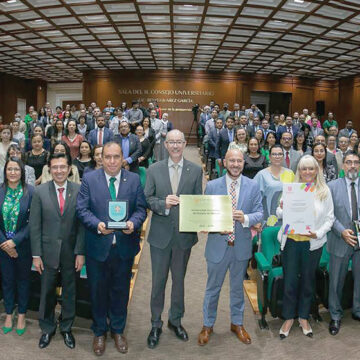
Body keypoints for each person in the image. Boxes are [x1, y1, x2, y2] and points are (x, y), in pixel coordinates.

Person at [76, 142, 147, 355]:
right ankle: (99, 332)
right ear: (101, 158)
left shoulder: (133, 179)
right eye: (108, 157)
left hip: (124, 248)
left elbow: (141, 208)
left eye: (116, 156)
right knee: (97, 291)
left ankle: (117, 330)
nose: (112, 161)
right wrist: (97, 225)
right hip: (98, 247)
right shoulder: (89, 179)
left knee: (120, 291)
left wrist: (133, 223)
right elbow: (82, 209)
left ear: (122, 157)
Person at [198, 149, 263, 346]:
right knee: (212, 288)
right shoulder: (212, 186)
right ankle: (207, 325)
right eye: (231, 161)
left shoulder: (253, 186)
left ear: (243, 163)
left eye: (239, 161)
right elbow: (204, 214)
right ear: (224, 162)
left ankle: (237, 323)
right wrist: (207, 225)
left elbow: (260, 213)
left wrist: (246, 218)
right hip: (218, 246)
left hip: (241, 246)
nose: (235, 164)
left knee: (237, 289)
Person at [145, 130, 202, 349]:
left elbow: (199, 200)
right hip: (160, 237)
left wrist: (203, 220)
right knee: (158, 282)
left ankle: (175, 320)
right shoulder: (153, 169)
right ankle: (155, 323)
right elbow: (147, 198)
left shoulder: (195, 170)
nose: (176, 146)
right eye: (172, 142)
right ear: (166, 145)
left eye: (179, 142)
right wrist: (163, 205)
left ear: (185, 144)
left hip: (184, 237)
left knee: (179, 281)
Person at [30, 153, 85, 349]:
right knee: (46, 292)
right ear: (49, 169)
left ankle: (67, 327)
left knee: (70, 291)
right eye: (55, 167)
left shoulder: (79, 190)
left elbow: (82, 225)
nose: (59, 171)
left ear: (69, 168)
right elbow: (34, 226)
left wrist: (81, 252)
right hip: (47, 252)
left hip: (71, 252)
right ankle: (47, 328)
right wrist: (36, 255)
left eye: (63, 167)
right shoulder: (39, 192)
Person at [276, 155, 334, 339]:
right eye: (304, 169)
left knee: (308, 281)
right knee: (290, 280)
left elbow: (329, 219)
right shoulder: (291, 189)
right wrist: (283, 207)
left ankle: (303, 317)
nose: (307, 172)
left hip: (312, 244)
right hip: (291, 241)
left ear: (317, 170)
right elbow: (278, 212)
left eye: (311, 168)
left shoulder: (324, 191)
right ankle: (288, 317)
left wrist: (317, 233)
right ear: (298, 171)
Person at [0, 157, 34, 335]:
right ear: (5, 171)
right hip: (3, 246)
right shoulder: (0, 191)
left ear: (22, 172)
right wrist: (5, 243)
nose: (12, 173)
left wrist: (16, 241)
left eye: (16, 169)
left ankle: (21, 313)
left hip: (23, 245)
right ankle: (8, 313)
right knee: (6, 280)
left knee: (23, 280)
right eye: (9, 169)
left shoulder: (31, 192)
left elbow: (33, 221)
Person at [327, 152, 360, 336]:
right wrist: (342, 232)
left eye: (356, 162)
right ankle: (335, 315)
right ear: (343, 166)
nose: (353, 166)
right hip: (340, 239)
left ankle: (357, 310)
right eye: (349, 162)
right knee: (336, 281)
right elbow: (328, 215)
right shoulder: (331, 187)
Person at [254, 145, 295, 227]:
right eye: (274, 154)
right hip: (268, 221)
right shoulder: (261, 175)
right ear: (269, 156)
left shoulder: (290, 173)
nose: (277, 156)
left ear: (283, 156)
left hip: (287, 220)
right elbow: (254, 199)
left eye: (280, 154)